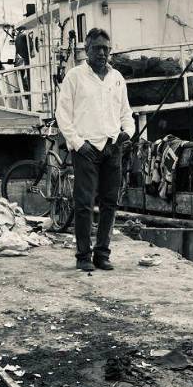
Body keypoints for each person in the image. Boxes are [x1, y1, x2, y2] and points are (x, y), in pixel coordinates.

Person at [56, 28, 133, 271]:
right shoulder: (74, 77)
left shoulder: (117, 78)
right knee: (84, 204)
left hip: (112, 147)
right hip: (86, 149)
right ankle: (83, 256)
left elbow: (126, 113)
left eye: (106, 49)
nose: (102, 53)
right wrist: (79, 144)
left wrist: (127, 133)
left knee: (110, 203)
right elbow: (63, 115)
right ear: (87, 50)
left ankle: (102, 254)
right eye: (97, 48)